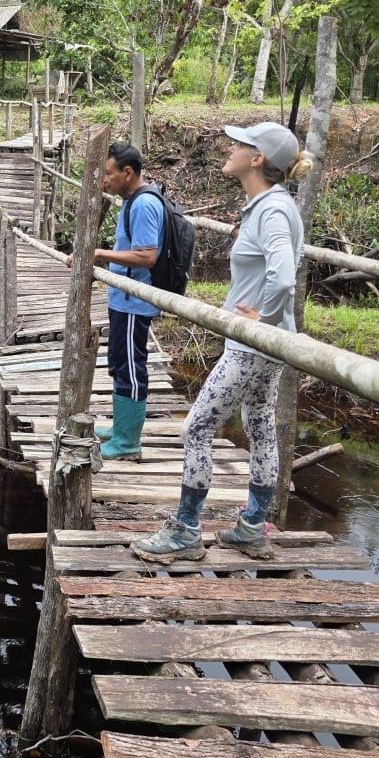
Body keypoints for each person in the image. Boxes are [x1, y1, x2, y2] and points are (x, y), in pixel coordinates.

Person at [130, 122, 314, 563]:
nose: (230, 148)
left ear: (257, 159)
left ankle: (186, 530)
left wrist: (261, 317)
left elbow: (283, 275)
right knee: (261, 428)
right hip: (269, 346)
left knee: (195, 428)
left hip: (252, 346)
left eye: (241, 144)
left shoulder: (271, 210)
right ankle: (252, 527)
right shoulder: (271, 204)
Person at [65, 141, 163, 461]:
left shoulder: (145, 204)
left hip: (135, 300)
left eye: (108, 174)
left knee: (132, 368)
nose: (105, 180)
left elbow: (147, 256)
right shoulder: (130, 200)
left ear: (128, 172)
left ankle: (128, 441)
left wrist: (98, 254)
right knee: (120, 364)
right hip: (123, 299)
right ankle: (121, 429)